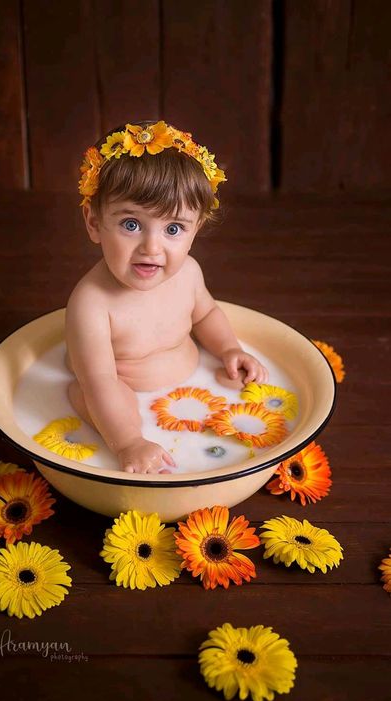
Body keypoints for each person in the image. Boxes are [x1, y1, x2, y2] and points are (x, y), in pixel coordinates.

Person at [65, 120, 268, 474]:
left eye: (173, 229)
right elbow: (100, 382)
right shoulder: (91, 304)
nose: (151, 247)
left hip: (191, 392)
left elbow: (205, 315)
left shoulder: (188, 272)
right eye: (131, 224)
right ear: (94, 223)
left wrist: (228, 349)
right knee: (104, 397)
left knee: (237, 388)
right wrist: (129, 441)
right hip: (120, 395)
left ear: (196, 229)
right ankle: (123, 438)